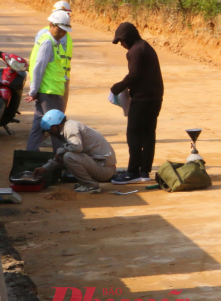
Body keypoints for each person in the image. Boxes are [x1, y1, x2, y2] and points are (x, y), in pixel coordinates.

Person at [109, 23, 163, 184]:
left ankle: (133, 172)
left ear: (128, 38)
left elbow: (134, 75)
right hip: (154, 97)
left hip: (142, 99)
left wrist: (118, 86)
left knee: (133, 135)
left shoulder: (135, 51)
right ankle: (145, 171)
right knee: (148, 135)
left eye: (121, 41)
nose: (122, 45)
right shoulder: (144, 46)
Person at [32, 110, 117, 194]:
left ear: (56, 125)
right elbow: (59, 157)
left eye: (50, 130)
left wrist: (61, 151)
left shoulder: (70, 128)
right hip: (102, 166)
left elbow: (77, 147)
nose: (50, 133)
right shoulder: (67, 128)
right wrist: (45, 168)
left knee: (69, 157)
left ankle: (90, 185)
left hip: (104, 169)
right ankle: (86, 183)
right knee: (67, 155)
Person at [24, 11, 72, 151]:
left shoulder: (53, 42)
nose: (62, 33)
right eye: (60, 29)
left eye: (65, 30)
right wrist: (33, 91)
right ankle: (62, 159)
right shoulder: (48, 42)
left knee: (38, 125)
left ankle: (30, 154)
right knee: (57, 127)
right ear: (51, 24)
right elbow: (38, 68)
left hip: (49, 91)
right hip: (49, 92)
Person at [51, 0, 73, 109]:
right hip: (52, 79)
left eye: (68, 14)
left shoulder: (68, 36)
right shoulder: (46, 34)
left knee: (61, 110)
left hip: (64, 78)